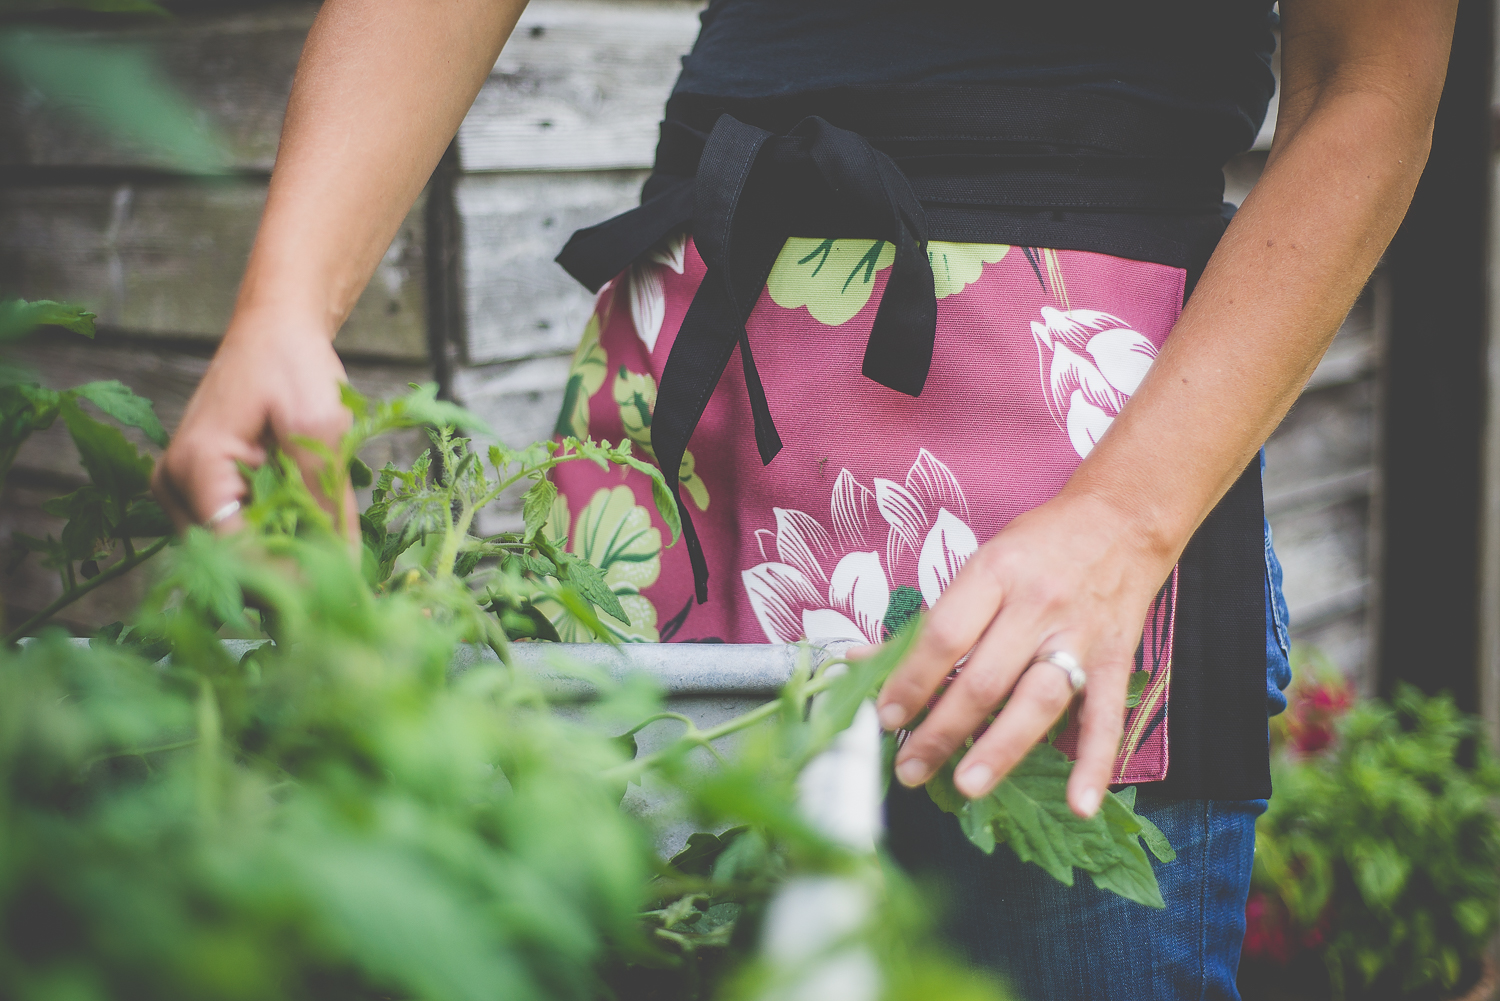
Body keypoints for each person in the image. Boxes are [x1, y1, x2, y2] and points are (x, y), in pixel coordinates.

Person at [152, 1, 1458, 997]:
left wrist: (1129, 517)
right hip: (696, 395)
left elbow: (1373, 85)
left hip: (1074, 446)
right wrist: (286, 296)